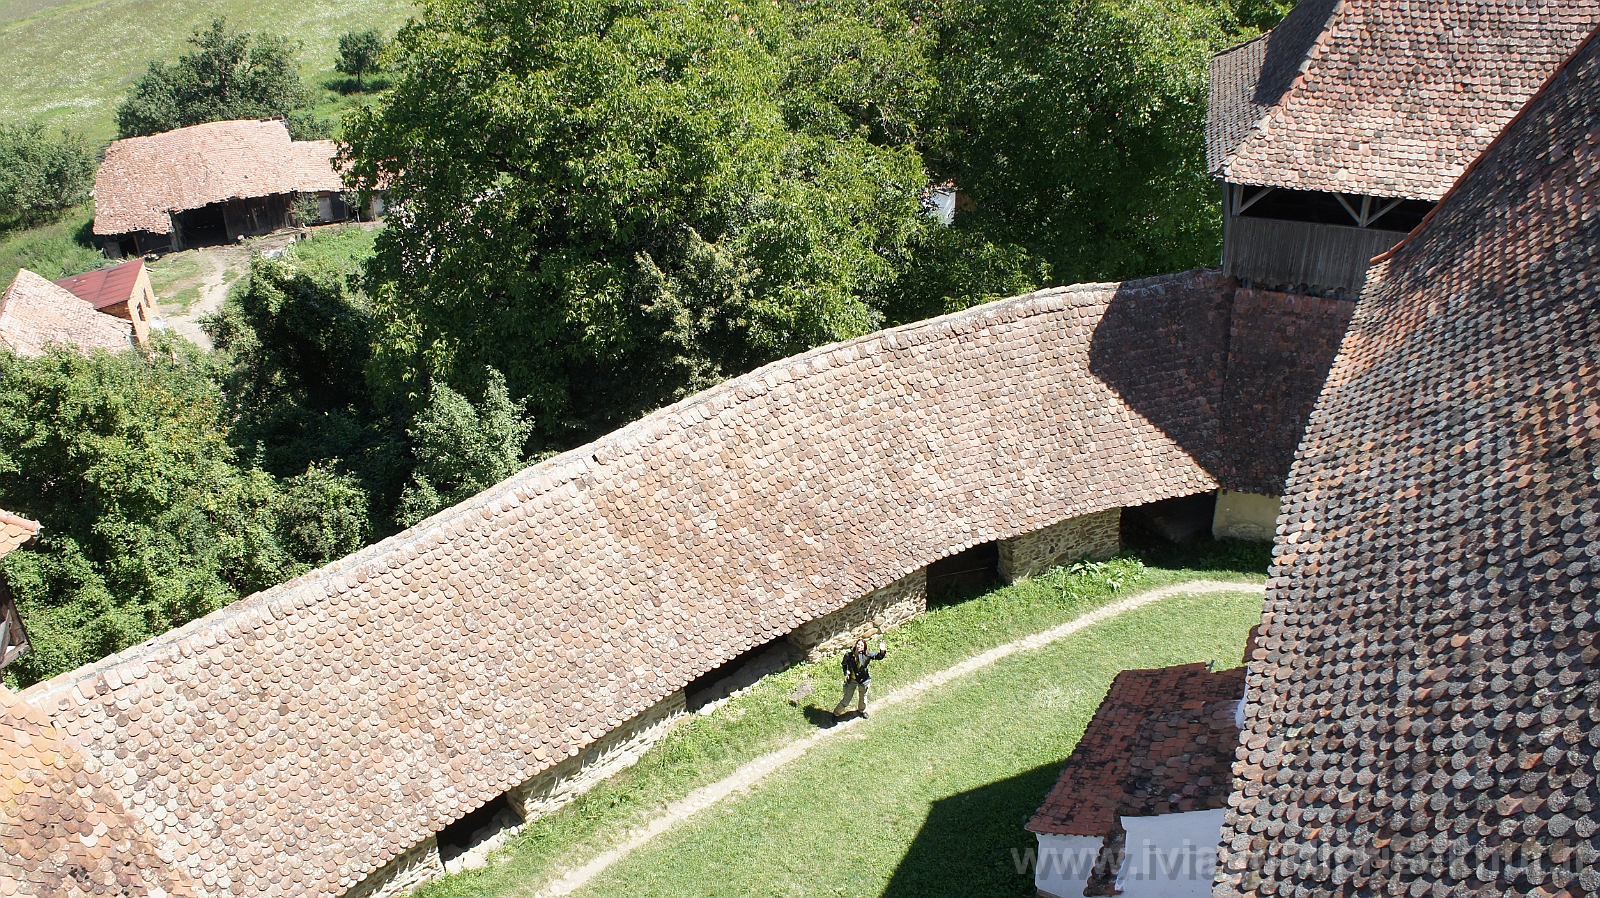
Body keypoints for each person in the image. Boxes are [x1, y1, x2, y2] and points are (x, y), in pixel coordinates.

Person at [831, 637, 886, 723]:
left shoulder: (867, 654)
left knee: (863, 698)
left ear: (864, 647)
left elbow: (878, 656)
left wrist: (882, 651)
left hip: (864, 680)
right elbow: (844, 664)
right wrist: (847, 672)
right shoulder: (849, 655)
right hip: (852, 680)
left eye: (861, 645)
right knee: (846, 699)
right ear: (856, 645)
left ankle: (862, 710)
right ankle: (836, 714)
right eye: (858, 644)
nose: (859, 646)